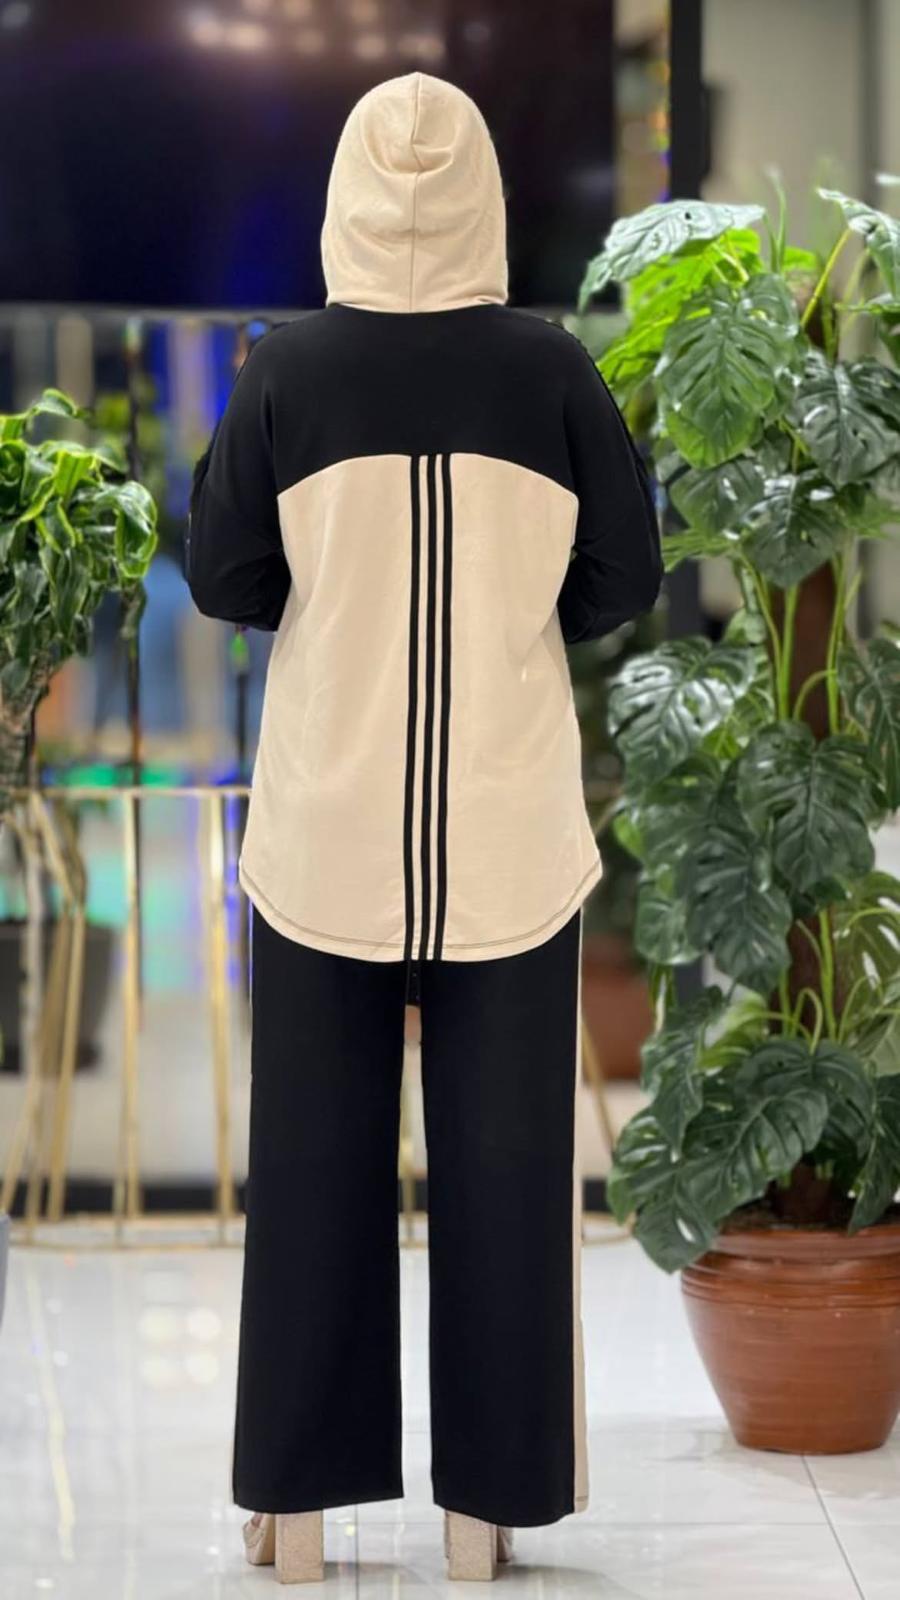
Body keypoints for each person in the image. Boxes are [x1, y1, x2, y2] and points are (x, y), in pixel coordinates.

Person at [186, 71, 661, 1585]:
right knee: (512, 1182)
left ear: (346, 194)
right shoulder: (552, 369)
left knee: (309, 1176)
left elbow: (222, 574)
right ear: (484, 198)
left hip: (322, 830)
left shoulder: (283, 370)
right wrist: (514, 618)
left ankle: (297, 1515)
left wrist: (338, 607)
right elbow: (628, 572)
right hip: (508, 834)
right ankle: (483, 1518)